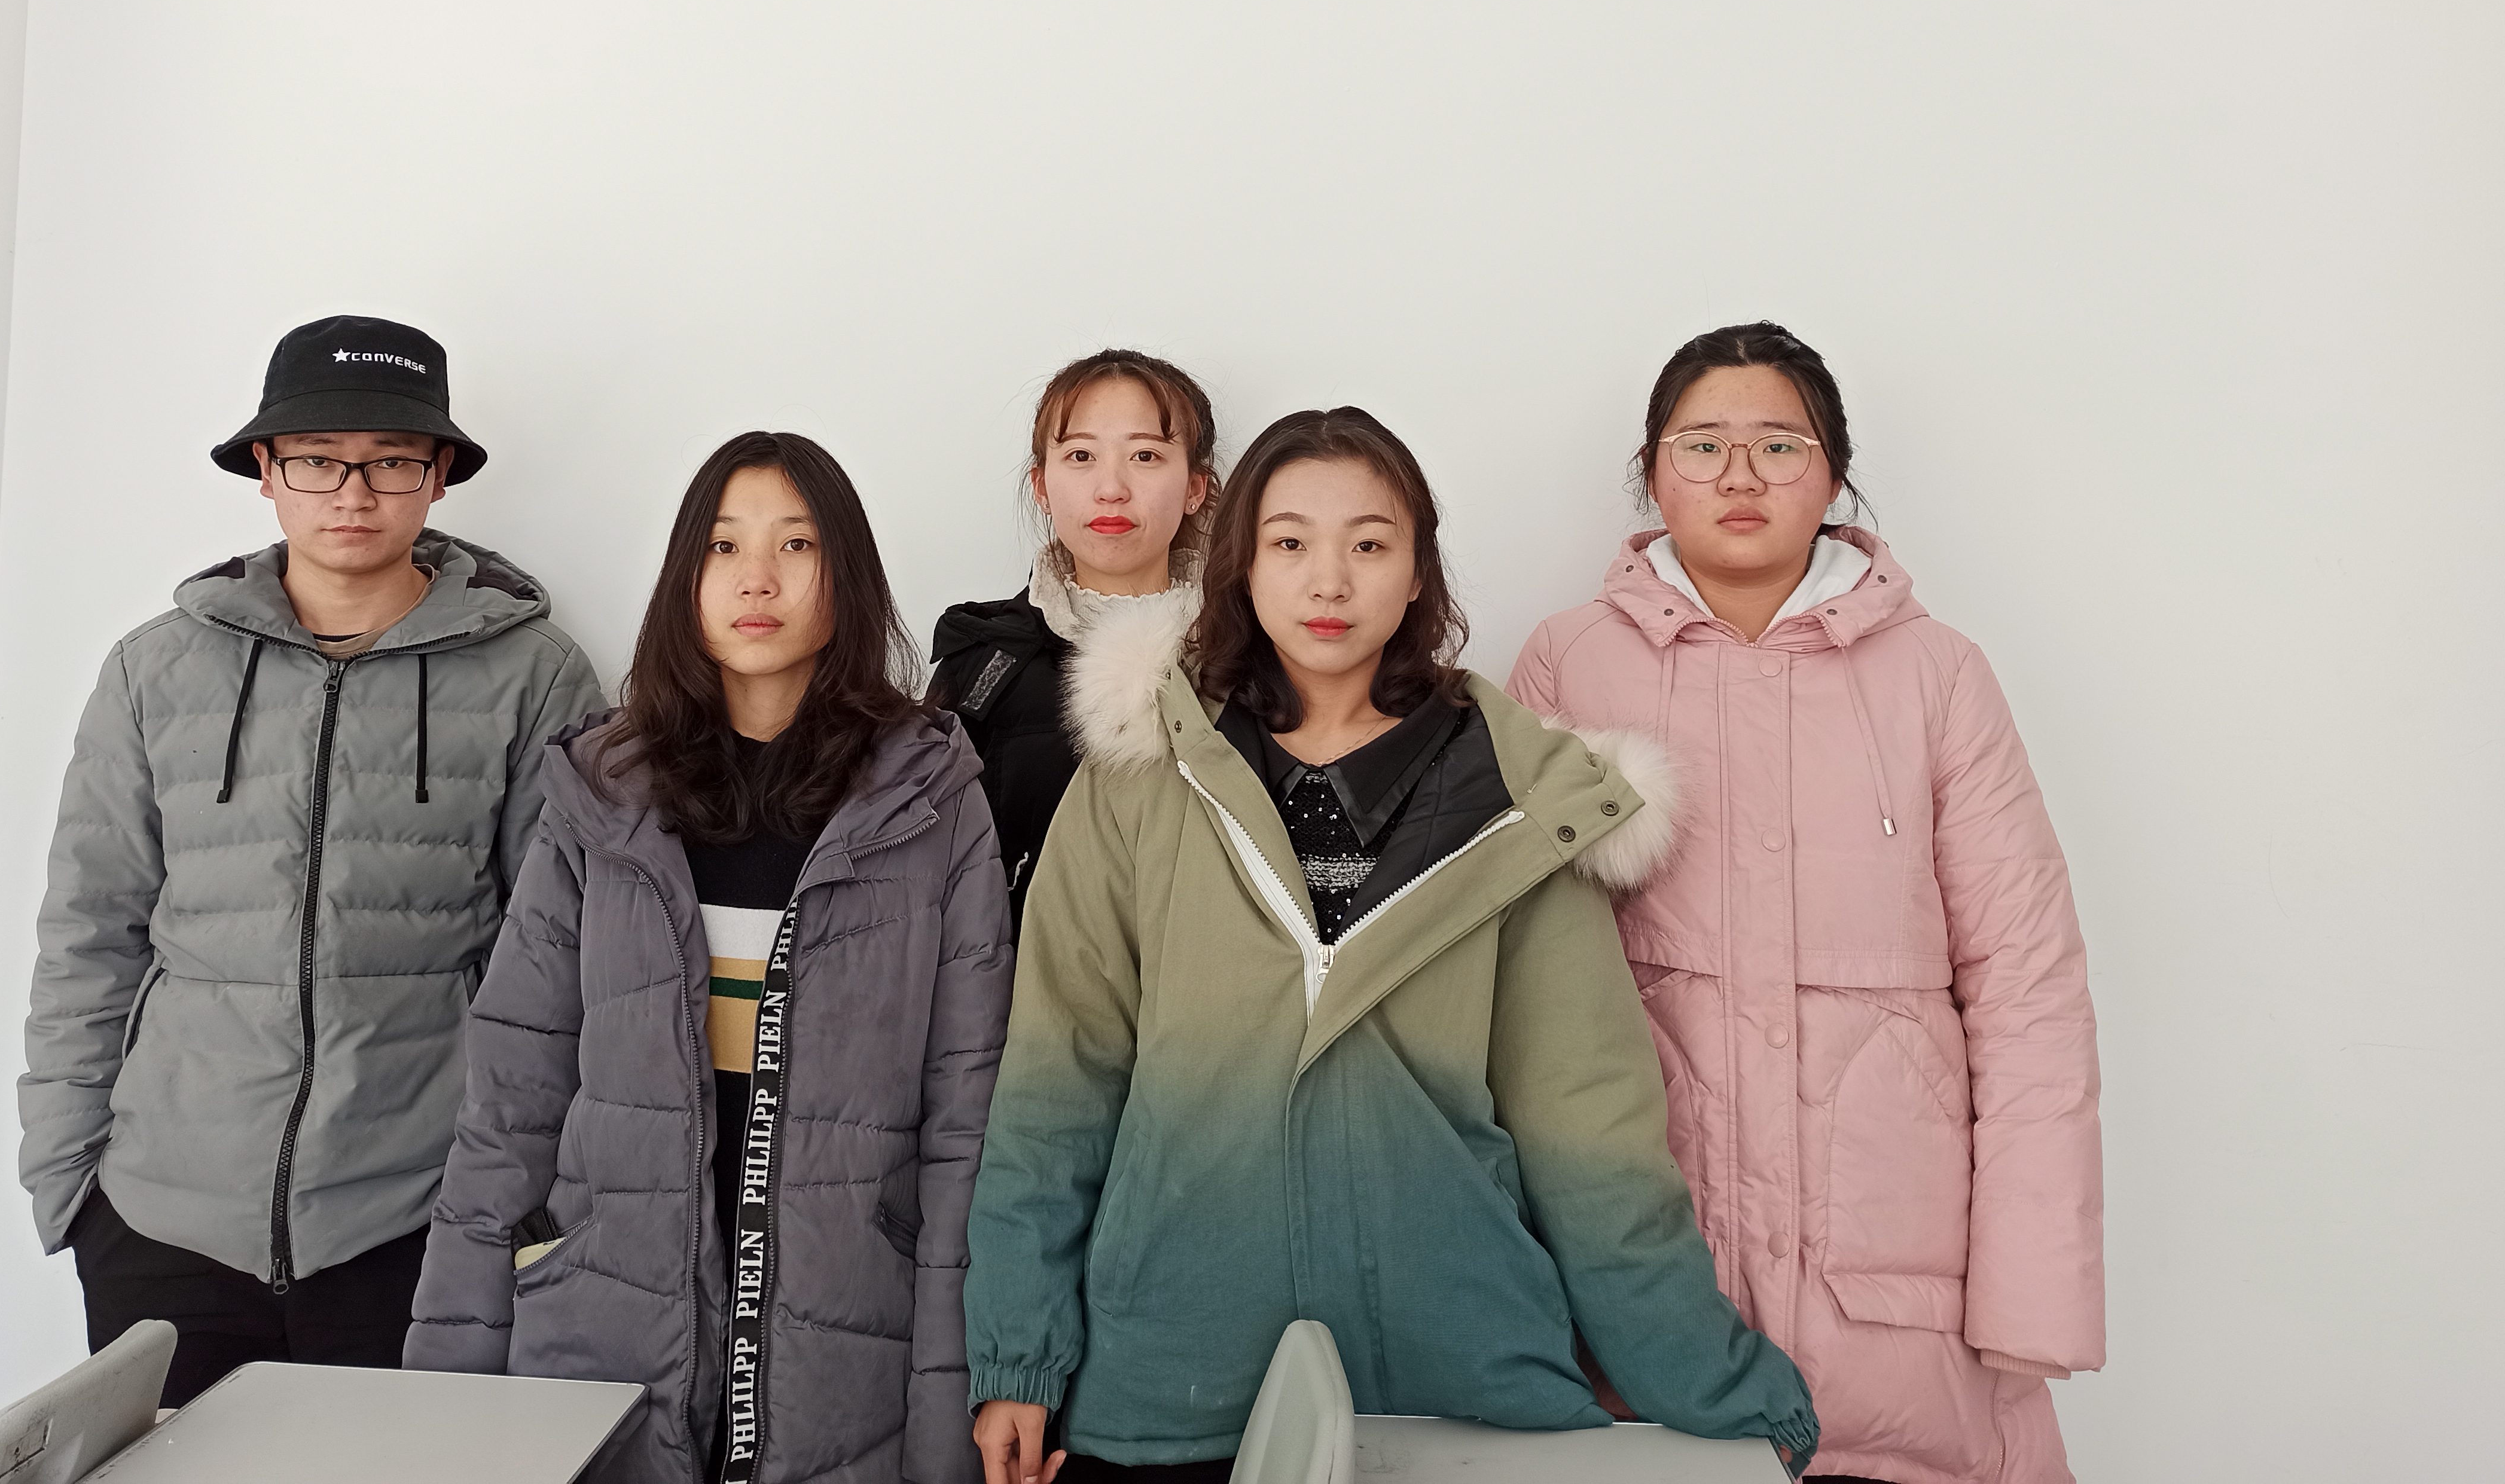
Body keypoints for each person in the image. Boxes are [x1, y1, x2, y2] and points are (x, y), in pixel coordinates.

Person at [966, 407, 1821, 1484]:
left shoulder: (1519, 805)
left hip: (1453, 1378)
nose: (1328, 580)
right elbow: (1057, 1085)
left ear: (1417, 573)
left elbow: (1592, 1140)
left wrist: (1724, 1397)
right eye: (1289, 543)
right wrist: (1019, 1356)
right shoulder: (1138, 778)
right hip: (1171, 1373)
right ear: (1240, 567)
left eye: (1369, 544)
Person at [1506, 322, 2103, 1484]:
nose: (1739, 475)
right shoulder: (1567, 662)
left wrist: (2031, 1292)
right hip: (1642, 1292)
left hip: (1894, 1290)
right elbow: (1513, 983)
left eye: (1778, 445)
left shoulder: (1935, 675)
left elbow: (2027, 989)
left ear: (1832, 475)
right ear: (1650, 472)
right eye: (1701, 445)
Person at [20, 314, 605, 1406]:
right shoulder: (154, 670)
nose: (353, 492)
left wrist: (520, 1199)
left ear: (438, 475)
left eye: (391, 462)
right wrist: (68, 1181)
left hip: (415, 1221)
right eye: (317, 460)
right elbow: (89, 934)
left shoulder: (536, 676)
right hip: (159, 1219)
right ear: (265, 469)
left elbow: (559, 960)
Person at [407, 432, 1012, 1484]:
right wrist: (448, 1391)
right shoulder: (601, 794)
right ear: (686, 576)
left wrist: (947, 1423)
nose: (757, 579)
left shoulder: (927, 799)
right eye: (724, 547)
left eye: (796, 545)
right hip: (606, 1324)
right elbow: (510, 1101)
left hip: (847, 1339)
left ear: (847, 576)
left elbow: (965, 1124)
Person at [926, 350, 1218, 932]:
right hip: (1024, 979)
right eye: (1081, 456)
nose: (1111, 488)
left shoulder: (1250, 657)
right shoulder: (982, 662)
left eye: (1145, 455)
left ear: (1194, 486)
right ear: (1041, 485)